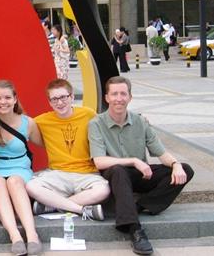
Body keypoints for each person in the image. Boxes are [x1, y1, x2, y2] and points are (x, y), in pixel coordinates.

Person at [88, 76, 194, 255]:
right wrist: (133, 161)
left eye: (123, 94)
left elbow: (161, 153)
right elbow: (99, 161)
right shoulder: (96, 124)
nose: (119, 98)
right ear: (106, 97)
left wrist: (176, 164)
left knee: (186, 169)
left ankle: (138, 206)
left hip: (140, 175)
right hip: (114, 176)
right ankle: (135, 229)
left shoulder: (140, 121)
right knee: (118, 170)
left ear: (130, 97)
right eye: (114, 94)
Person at [26, 79, 109, 221]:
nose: (59, 103)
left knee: (103, 190)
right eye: (54, 99)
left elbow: (106, 130)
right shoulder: (42, 121)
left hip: (87, 173)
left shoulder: (88, 114)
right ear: (49, 102)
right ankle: (81, 209)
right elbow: (19, 126)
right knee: (31, 186)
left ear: (72, 97)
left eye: (63, 97)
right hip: (58, 174)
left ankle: (52, 206)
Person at [0, 80, 43, 256]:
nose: (3, 102)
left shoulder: (28, 123)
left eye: (7, 97)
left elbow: (46, 144)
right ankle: (15, 235)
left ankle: (32, 235)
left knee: (14, 181)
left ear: (15, 99)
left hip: (20, 167)